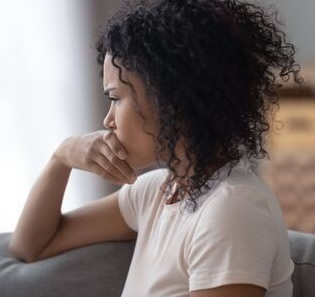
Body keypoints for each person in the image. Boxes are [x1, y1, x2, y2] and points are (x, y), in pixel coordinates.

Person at [8, 0, 303, 296]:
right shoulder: (157, 192)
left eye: (116, 98)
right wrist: (62, 157)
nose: (107, 120)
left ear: (169, 98)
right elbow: (31, 246)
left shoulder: (232, 207)